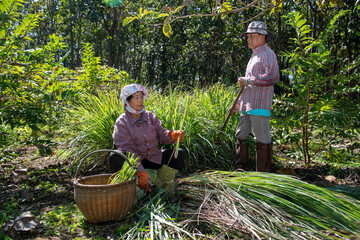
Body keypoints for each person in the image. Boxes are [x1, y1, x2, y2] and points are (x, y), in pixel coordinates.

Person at [110, 84, 185, 192]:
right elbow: (127, 149)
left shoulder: (150, 116)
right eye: (136, 97)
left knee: (179, 153)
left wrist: (172, 135)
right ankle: (130, 186)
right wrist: (140, 171)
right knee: (115, 155)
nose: (140, 100)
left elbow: (161, 133)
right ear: (128, 101)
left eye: (141, 97)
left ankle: (161, 185)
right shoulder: (122, 122)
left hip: (153, 158)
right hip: (135, 162)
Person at [229, 21, 279, 172]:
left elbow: (273, 77)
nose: (249, 39)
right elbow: (247, 88)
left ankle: (262, 176)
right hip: (247, 106)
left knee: (261, 138)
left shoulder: (267, 54)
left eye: (252, 36)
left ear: (263, 37)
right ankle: (240, 169)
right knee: (241, 133)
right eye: (248, 37)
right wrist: (237, 105)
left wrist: (248, 80)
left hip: (260, 106)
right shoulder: (254, 56)